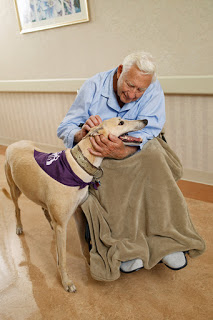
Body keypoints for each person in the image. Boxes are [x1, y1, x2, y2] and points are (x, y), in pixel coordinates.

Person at [57, 52, 205, 276]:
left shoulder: (152, 88)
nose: (133, 94)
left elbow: (152, 129)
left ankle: (168, 239)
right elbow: (65, 127)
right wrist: (82, 133)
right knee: (104, 172)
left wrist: (124, 150)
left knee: (155, 157)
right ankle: (125, 246)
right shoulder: (93, 86)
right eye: (130, 85)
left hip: (135, 147)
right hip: (100, 152)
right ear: (119, 72)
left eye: (140, 90)